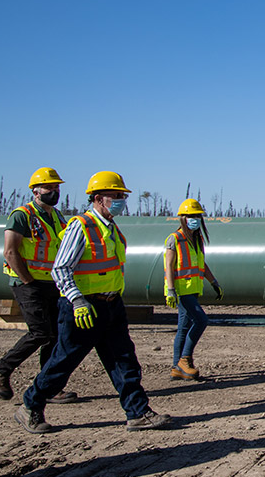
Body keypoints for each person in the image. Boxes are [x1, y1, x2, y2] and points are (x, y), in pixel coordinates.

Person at [14, 171, 171, 434]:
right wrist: (77, 301)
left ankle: (137, 412)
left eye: (122, 196)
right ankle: (30, 405)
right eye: (116, 196)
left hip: (110, 305)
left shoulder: (110, 227)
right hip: (83, 309)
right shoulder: (81, 226)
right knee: (63, 362)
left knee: (125, 361)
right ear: (98, 198)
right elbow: (61, 269)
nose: (121, 200)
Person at [0, 167, 77, 404]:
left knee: (55, 336)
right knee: (40, 333)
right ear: (35, 191)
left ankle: (50, 386)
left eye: (56, 188)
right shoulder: (22, 215)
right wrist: (27, 280)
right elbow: (10, 251)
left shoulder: (56, 217)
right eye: (49, 188)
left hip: (52, 283)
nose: (54, 192)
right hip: (28, 283)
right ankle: (1, 369)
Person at [164, 198, 222, 381]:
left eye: (197, 216)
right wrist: (171, 290)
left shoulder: (197, 239)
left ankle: (176, 368)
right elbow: (169, 266)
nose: (195, 219)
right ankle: (184, 359)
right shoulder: (175, 239)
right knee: (201, 320)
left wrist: (213, 282)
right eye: (191, 216)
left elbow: (201, 264)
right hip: (182, 291)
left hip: (193, 289)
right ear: (183, 218)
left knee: (183, 327)